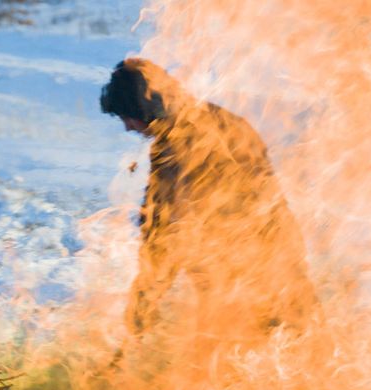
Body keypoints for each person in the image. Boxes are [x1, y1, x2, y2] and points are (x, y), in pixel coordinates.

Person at [100, 58, 322, 349]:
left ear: (144, 107)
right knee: (301, 350)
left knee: (236, 360)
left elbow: (162, 231)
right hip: (281, 254)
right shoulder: (223, 120)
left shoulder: (174, 147)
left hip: (238, 276)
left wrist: (144, 302)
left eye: (127, 116)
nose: (128, 127)